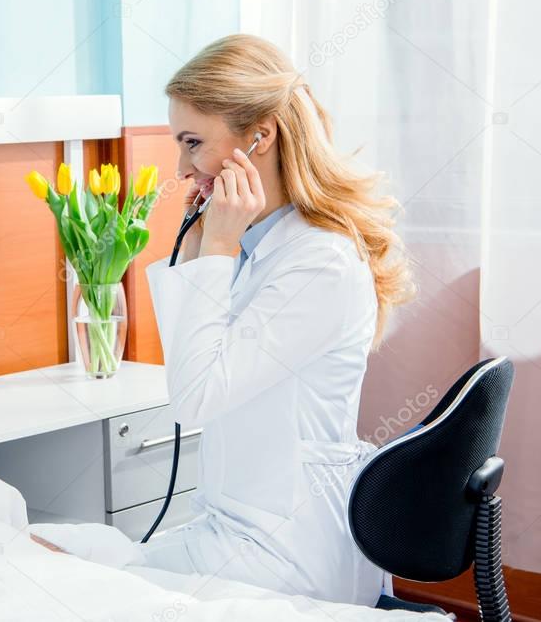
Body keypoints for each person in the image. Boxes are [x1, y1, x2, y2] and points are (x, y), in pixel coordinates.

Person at [141, 34, 417, 605]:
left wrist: (216, 243)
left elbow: (193, 399)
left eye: (193, 142)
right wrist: (201, 248)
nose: (180, 166)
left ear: (260, 136)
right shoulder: (256, 244)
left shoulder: (319, 262)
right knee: (66, 559)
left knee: (82, 579)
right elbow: (193, 366)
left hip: (287, 556)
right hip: (238, 528)